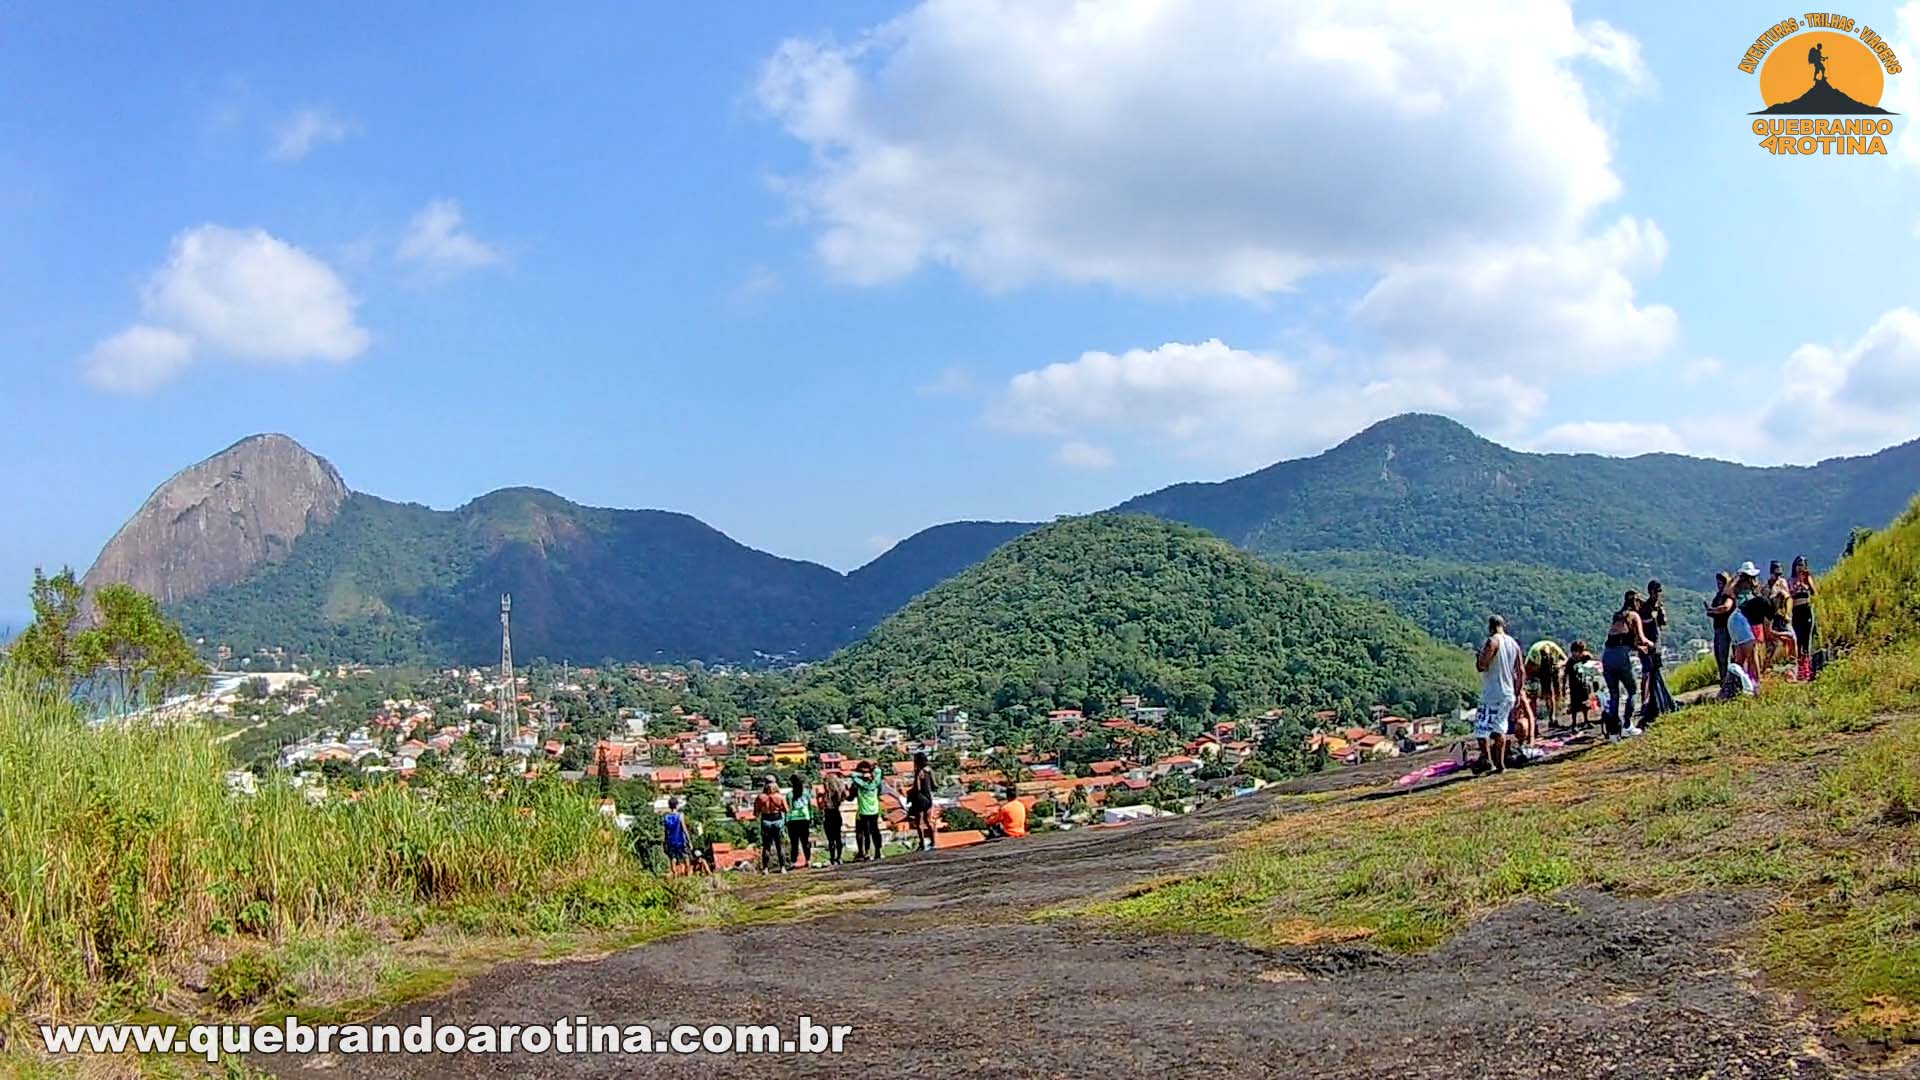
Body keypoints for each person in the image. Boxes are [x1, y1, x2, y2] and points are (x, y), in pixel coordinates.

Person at [1473, 615, 1522, 774]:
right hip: (1508, 693)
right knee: (1500, 729)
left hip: (1493, 692)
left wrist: (1479, 657)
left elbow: (1482, 665)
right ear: (1503, 625)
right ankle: (1500, 765)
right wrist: (1518, 691)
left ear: (1490, 627)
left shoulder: (1492, 641)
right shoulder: (1513, 643)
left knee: (1482, 728)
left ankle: (1487, 759)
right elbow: (1520, 671)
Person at [1603, 591, 1652, 740]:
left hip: (1606, 656)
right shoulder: (1633, 616)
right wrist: (1651, 644)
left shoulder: (1617, 616)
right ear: (1636, 602)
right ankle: (1627, 725)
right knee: (1632, 690)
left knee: (1614, 694)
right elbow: (1641, 639)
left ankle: (1613, 732)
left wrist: (1636, 648)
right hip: (1621, 658)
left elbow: (1620, 640)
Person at [1638, 580, 1675, 724]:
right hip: (1647, 646)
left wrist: (1661, 611)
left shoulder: (1658, 606)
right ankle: (1648, 703)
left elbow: (1663, 622)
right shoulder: (1644, 608)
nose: (1658, 594)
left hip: (1657, 644)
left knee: (1657, 674)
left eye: (1659, 591)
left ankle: (1661, 701)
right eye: (1656, 591)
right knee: (1648, 675)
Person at [1733, 564, 1769, 688]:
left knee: (1746, 654)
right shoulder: (1739, 589)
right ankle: (1755, 682)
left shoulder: (1752, 589)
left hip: (1749, 620)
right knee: (1751, 653)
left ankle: (1746, 681)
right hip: (1745, 620)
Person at [1765, 560, 1798, 677]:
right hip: (1773, 617)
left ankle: (1793, 666)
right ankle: (1772, 669)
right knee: (1773, 645)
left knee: (1791, 638)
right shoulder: (1767, 587)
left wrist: (1787, 613)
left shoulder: (1782, 583)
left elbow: (1788, 598)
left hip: (1783, 616)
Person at [848, 761, 887, 861]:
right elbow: (878, 772)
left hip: (863, 812)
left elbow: (852, 777)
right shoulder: (876, 782)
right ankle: (878, 850)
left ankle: (866, 852)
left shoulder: (859, 784)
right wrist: (871, 772)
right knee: (875, 831)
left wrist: (861, 774)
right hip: (875, 810)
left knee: (865, 833)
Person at [1525, 638, 1567, 728]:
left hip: (1551, 669)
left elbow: (1565, 659)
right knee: (1534, 694)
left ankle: (1552, 718)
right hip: (1537, 670)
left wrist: (1559, 664)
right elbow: (1527, 667)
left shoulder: (1555, 649)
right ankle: (1533, 721)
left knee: (1551, 693)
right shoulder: (1535, 653)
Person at [1705, 571, 1736, 686]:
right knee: (1719, 656)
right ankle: (1723, 679)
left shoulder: (1728, 596)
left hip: (1725, 628)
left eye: (1721, 583)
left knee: (1724, 655)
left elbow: (1725, 608)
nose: (1719, 586)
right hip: (1718, 628)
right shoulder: (1719, 595)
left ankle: (1727, 681)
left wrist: (1713, 610)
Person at [1790, 555, 1817, 680]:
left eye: (1802, 565)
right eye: (1798, 565)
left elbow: (1814, 592)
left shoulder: (1807, 578)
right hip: (1796, 610)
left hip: (1806, 609)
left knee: (1807, 640)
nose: (1800, 567)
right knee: (1798, 640)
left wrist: (1807, 579)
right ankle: (1800, 668)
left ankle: (1808, 669)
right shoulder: (1791, 580)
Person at [753, 776, 789, 873]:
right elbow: (786, 810)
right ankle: (782, 868)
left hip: (766, 820)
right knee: (779, 845)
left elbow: (756, 813)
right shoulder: (779, 797)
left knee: (766, 846)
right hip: (777, 819)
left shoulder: (760, 797)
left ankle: (765, 869)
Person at [1564, 640, 1601, 729]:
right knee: (1574, 706)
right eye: (1577, 652)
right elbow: (1565, 674)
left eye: (1581, 652)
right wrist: (1564, 687)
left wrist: (1586, 654)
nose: (1578, 654)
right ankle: (1574, 723)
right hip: (1574, 686)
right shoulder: (1570, 662)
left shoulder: (1584, 658)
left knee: (1585, 704)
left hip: (1584, 685)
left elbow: (1591, 660)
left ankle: (1586, 721)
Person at [907, 751, 939, 852]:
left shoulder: (919, 772)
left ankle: (922, 844)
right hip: (929, 798)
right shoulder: (929, 771)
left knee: (919, 822)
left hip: (920, 799)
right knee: (928, 821)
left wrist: (909, 792)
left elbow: (917, 787)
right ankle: (933, 842)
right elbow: (935, 786)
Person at [817, 770, 847, 866]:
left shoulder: (825, 795)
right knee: (838, 837)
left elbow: (821, 807)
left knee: (831, 840)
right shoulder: (837, 794)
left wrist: (818, 797)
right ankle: (839, 857)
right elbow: (845, 796)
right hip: (837, 814)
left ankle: (832, 858)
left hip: (828, 815)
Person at [785, 772, 814, 869]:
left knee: (794, 843)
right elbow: (810, 806)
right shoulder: (806, 793)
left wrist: (786, 821)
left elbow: (788, 809)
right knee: (805, 841)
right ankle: (808, 860)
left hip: (793, 820)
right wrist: (811, 817)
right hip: (804, 819)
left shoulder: (789, 795)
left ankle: (793, 862)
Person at [661, 796, 693, 877]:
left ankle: (674, 874)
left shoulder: (666, 817)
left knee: (673, 858)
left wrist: (665, 841)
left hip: (670, 841)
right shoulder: (680, 815)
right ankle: (687, 874)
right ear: (677, 805)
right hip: (680, 840)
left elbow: (665, 830)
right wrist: (689, 841)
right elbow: (684, 829)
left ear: (669, 806)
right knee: (685, 856)